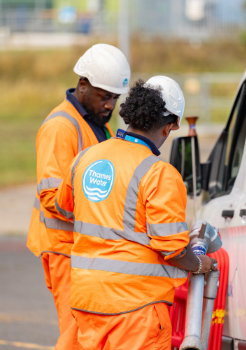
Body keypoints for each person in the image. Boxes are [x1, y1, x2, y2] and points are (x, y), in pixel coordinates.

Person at [54, 76, 218, 350]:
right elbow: (173, 250)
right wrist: (202, 264)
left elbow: (63, 207)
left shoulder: (86, 157)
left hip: (87, 302)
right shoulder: (159, 173)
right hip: (136, 308)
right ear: (169, 128)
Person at [26, 44, 131, 349]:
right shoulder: (61, 127)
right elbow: (51, 197)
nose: (110, 105)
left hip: (86, 250)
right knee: (76, 335)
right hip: (64, 250)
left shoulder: (98, 126)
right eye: (104, 96)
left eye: (115, 97)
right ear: (83, 85)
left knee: (91, 334)